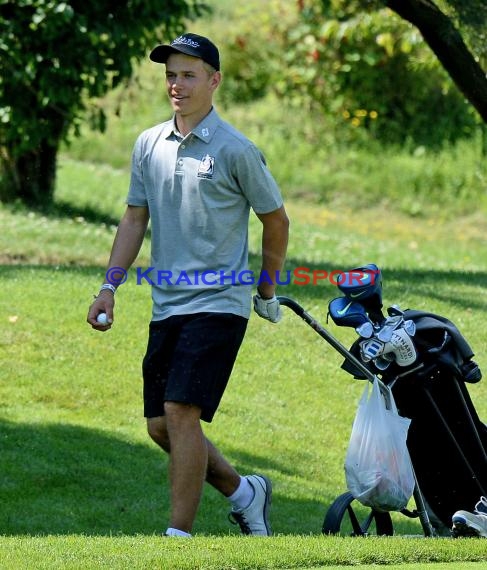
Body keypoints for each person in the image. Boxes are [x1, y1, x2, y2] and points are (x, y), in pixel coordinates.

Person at [86, 32, 289, 538]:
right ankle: (246, 493)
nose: (177, 84)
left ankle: (178, 537)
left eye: (189, 74)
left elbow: (276, 219)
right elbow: (135, 218)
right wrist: (109, 286)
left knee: (181, 410)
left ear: (214, 81)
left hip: (220, 301)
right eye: (171, 75)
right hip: (167, 304)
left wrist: (264, 288)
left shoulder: (236, 149)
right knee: (162, 426)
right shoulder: (148, 144)